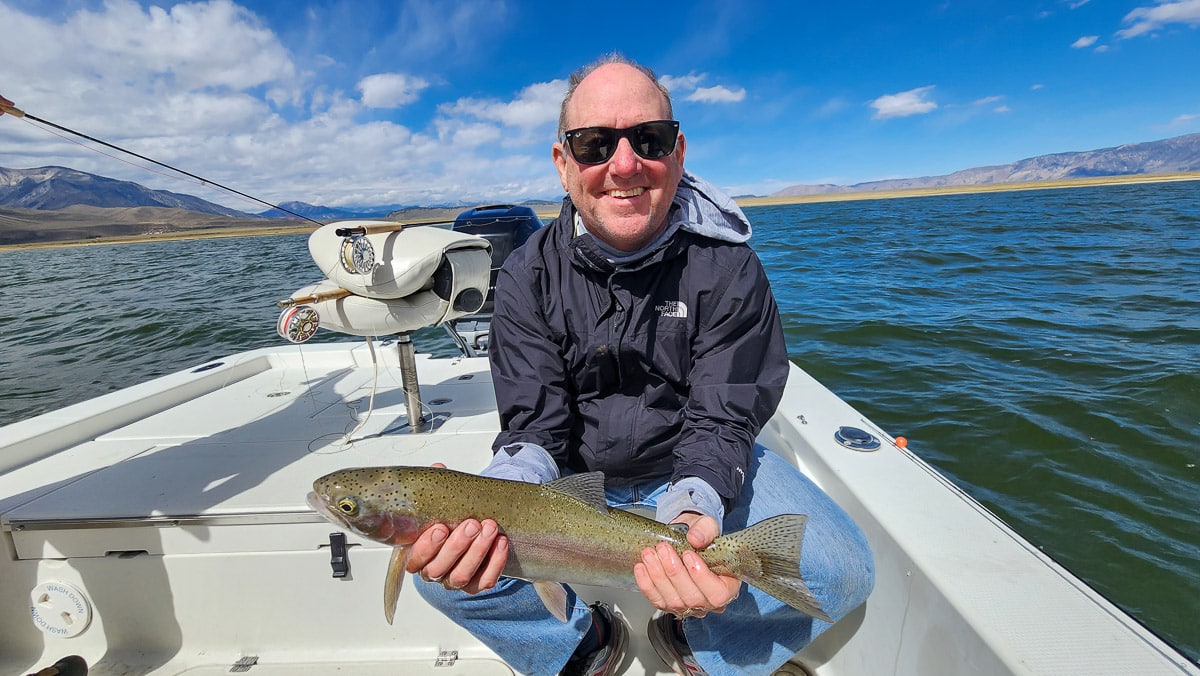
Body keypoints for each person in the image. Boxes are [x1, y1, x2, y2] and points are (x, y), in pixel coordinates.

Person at [406, 54, 874, 676]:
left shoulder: (729, 269)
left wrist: (693, 511)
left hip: (690, 469)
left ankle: (696, 646)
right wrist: (500, 498)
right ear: (563, 162)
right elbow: (534, 429)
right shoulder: (526, 274)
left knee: (842, 569)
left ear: (677, 153)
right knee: (440, 574)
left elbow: (723, 413)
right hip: (570, 485)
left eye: (646, 140)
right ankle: (583, 643)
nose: (623, 165)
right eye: (594, 144)